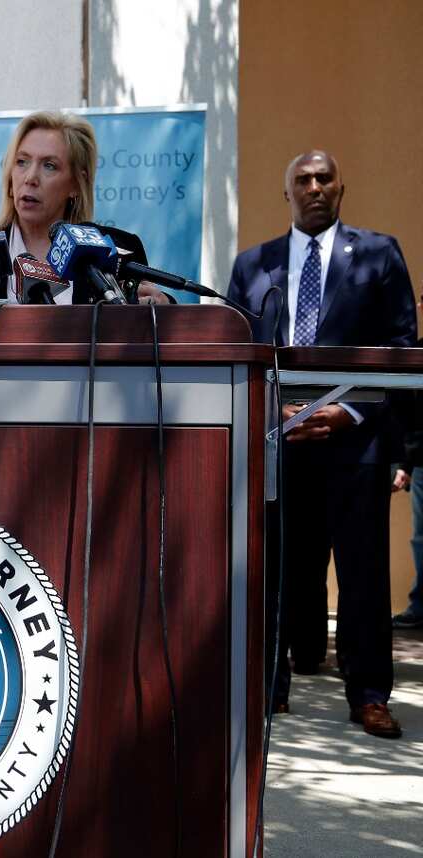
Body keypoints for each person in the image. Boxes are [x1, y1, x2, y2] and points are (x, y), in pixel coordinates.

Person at [227, 149, 415, 738]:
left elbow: (401, 348)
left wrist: (349, 411)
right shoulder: (253, 266)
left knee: (363, 576)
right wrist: (271, 411)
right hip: (279, 442)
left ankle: (368, 695)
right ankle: (268, 689)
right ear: (286, 194)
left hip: (354, 442)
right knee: (276, 570)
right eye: (302, 180)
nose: (314, 187)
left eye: (323, 178)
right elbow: (240, 350)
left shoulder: (379, 255)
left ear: (341, 188)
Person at [0, 110, 170, 306]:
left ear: (76, 183)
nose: (31, 177)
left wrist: (164, 306)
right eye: (22, 162)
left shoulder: (121, 249)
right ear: (10, 179)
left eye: (49, 165)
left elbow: (147, 336)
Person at [391, 352, 423, 631]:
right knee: (421, 538)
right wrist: (406, 462)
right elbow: (413, 415)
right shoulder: (417, 351)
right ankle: (420, 606)